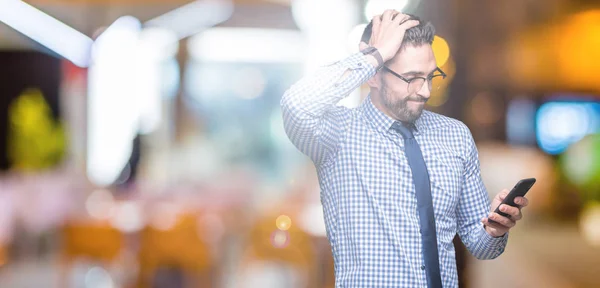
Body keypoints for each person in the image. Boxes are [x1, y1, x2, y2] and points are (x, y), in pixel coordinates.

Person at [280, 11, 530, 288]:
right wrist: (375, 55)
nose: (424, 91)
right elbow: (296, 104)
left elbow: (481, 245)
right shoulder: (337, 135)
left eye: (430, 76)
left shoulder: (455, 136)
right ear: (374, 76)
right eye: (411, 77)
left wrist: (494, 230)